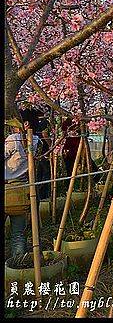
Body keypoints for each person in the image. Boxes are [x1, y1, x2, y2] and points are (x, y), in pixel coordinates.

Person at [4, 109, 40, 258]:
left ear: (25, 124)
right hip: (22, 186)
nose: (13, 127)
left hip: (7, 185)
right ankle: (18, 262)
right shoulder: (37, 140)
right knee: (18, 233)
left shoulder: (14, 138)